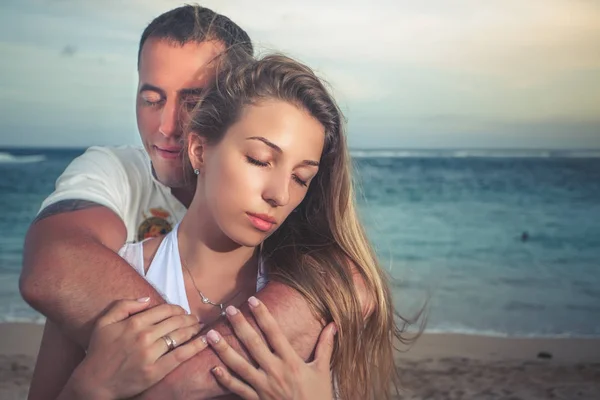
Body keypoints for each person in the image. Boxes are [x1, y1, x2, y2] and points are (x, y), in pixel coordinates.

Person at [20, 5, 379, 400]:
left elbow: (351, 284)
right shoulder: (114, 213)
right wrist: (88, 389)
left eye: (301, 178)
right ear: (201, 148)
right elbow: (53, 265)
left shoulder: (310, 293)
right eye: (152, 99)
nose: (168, 127)